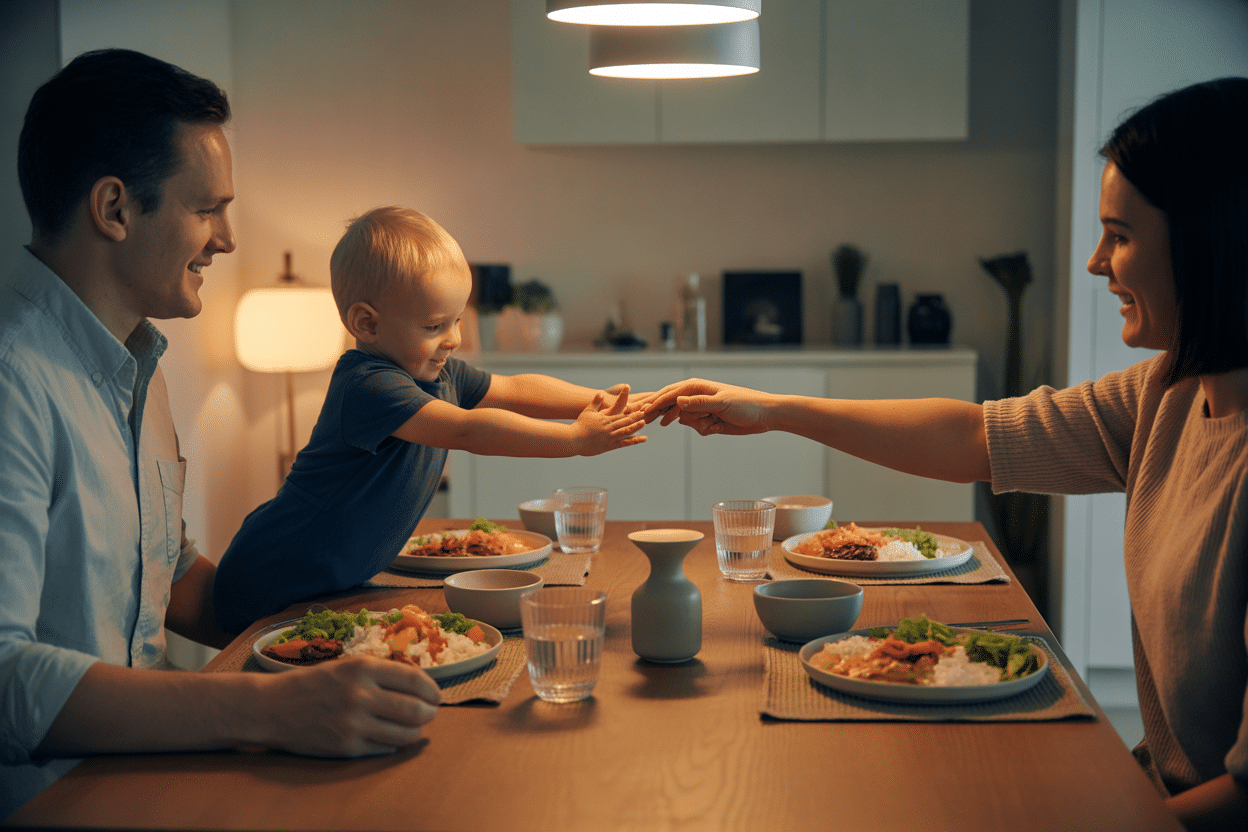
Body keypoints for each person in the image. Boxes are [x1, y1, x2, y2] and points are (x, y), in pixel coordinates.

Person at [646, 77, 1248, 831]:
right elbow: (975, 437)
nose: (1097, 263)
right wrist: (772, 411)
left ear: (1211, 240)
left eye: (1120, 236)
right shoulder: (1166, 394)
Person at [0, 50, 440, 818]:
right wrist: (261, 710)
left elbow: (169, 579)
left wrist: (360, 619)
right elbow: (4, 678)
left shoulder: (139, 362)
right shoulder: (14, 382)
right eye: (208, 209)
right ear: (114, 208)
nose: (228, 238)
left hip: (157, 777)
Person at [212, 206, 647, 633]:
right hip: (274, 575)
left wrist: (603, 401)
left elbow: (514, 389)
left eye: (457, 320)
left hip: (329, 586)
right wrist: (574, 439)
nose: (454, 339)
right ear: (367, 323)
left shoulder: (437, 371)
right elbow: (465, 429)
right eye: (435, 325)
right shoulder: (368, 386)